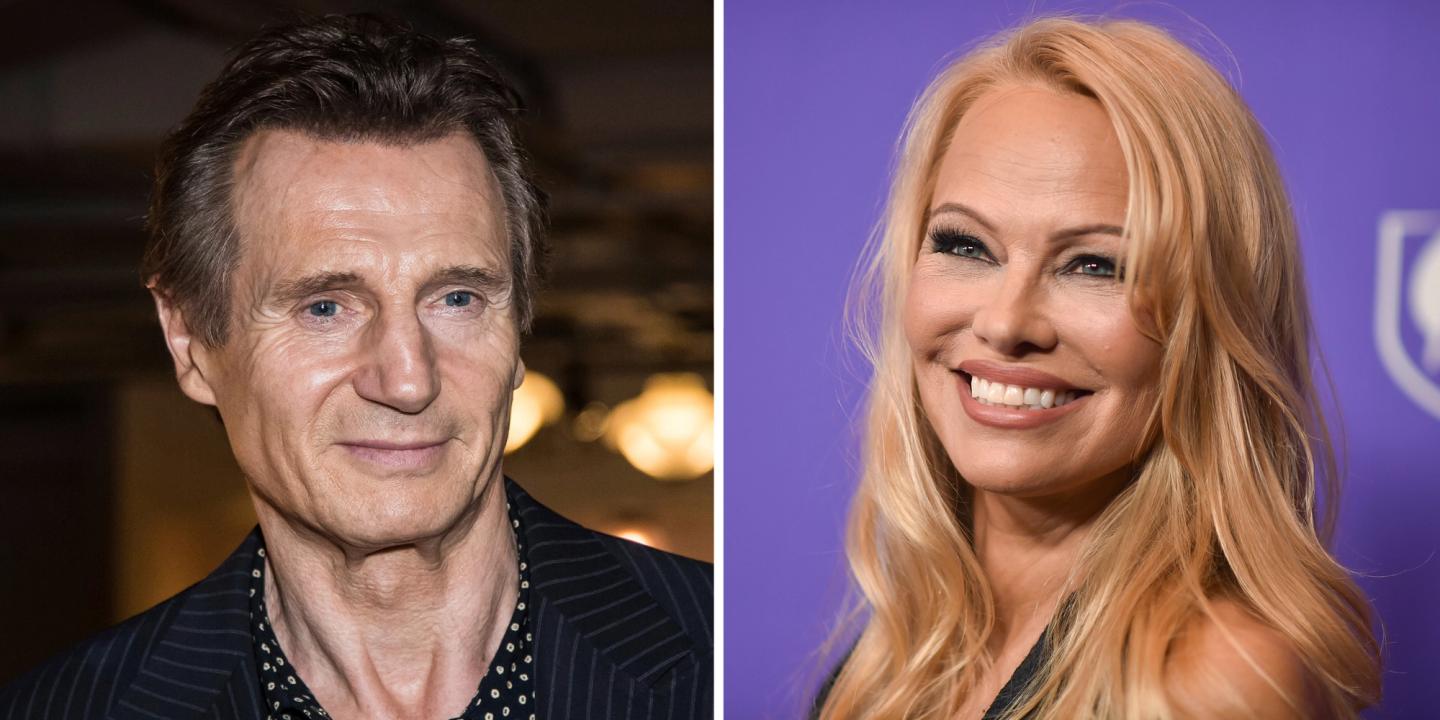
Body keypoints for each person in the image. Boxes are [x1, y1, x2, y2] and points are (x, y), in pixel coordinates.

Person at [0, 14, 711, 720]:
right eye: (324, 308)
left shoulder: (737, 659)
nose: (408, 381)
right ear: (189, 342)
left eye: (457, 299)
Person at [812, 17, 1379, 719]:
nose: (1005, 323)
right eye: (966, 245)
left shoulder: (1209, 681)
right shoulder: (890, 664)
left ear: (1209, 322)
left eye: (1095, 265)